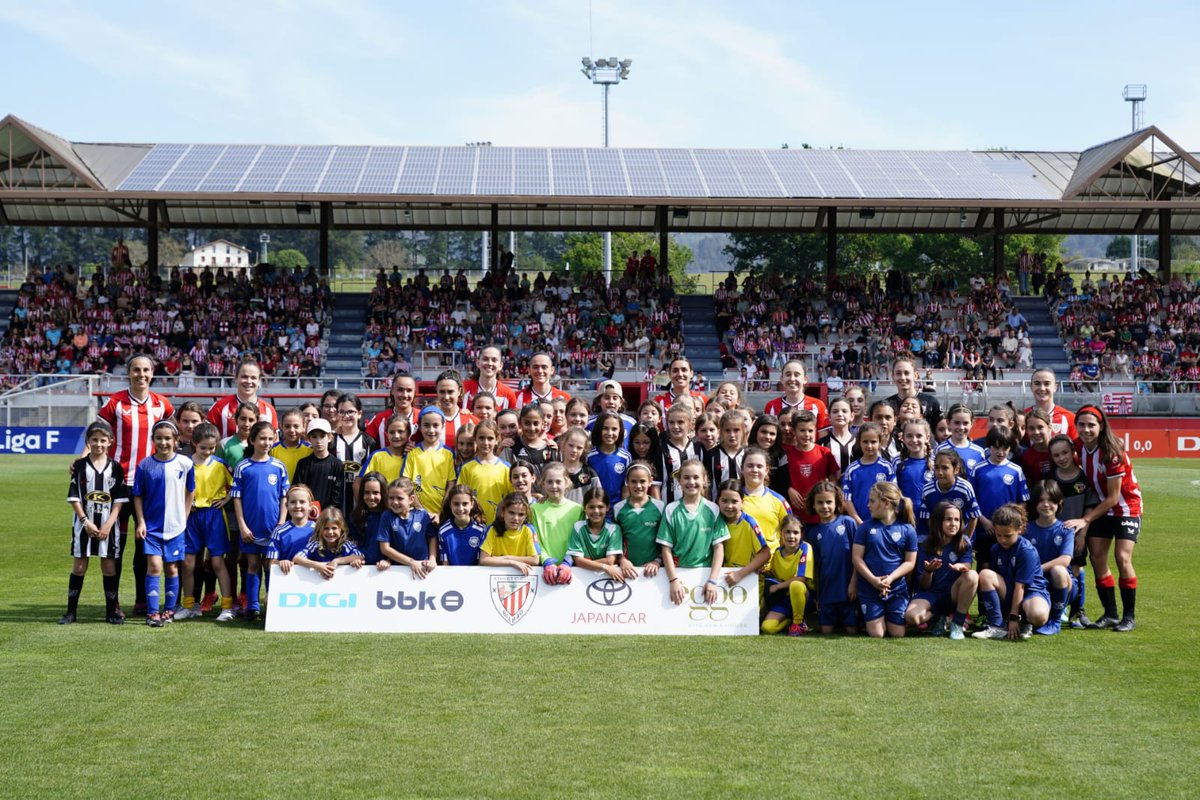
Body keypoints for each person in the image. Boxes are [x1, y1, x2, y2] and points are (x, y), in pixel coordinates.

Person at [97, 353, 174, 617]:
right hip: (118, 484)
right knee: (115, 545)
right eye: (136, 370)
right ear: (128, 373)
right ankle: (113, 601)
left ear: (152, 373)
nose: (142, 375)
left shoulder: (162, 405)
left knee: (145, 547)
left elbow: (171, 438)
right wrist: (83, 458)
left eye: (146, 370)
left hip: (150, 486)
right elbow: (98, 433)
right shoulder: (115, 403)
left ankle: (142, 600)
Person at [1068, 405, 1142, 632]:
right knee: (1098, 557)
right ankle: (1110, 614)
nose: (1086, 429)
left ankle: (1128, 617)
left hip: (1125, 508)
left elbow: (1113, 498)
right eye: (1082, 424)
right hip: (1101, 508)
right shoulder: (1078, 447)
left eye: (1092, 425)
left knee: (1122, 557)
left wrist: (1085, 520)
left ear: (1101, 427)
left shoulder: (1112, 452)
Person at [61, 422, 128, 625]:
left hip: (108, 527)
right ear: (88, 442)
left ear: (110, 442)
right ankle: (71, 613)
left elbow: (119, 501)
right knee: (79, 567)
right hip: (84, 526)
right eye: (94, 440)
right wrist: (85, 522)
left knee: (109, 568)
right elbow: (74, 498)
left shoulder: (116, 468)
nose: (98, 444)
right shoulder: (80, 466)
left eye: (102, 440)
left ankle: (111, 612)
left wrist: (108, 524)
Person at [133, 421, 196, 627]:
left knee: (172, 569)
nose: (163, 442)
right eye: (159, 438)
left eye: (168, 438)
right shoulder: (144, 465)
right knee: (154, 566)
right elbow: (138, 496)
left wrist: (184, 517)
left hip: (175, 528)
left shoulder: (185, 464)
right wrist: (141, 521)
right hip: (151, 528)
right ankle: (152, 613)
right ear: (153, 440)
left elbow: (191, 490)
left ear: (176, 440)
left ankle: (168, 610)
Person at [175, 423, 235, 622]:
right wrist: (185, 504)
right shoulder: (184, 463)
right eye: (203, 448)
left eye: (212, 447)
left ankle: (227, 606)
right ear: (194, 443)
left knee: (217, 562)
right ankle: (190, 605)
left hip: (214, 516)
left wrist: (225, 500)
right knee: (188, 563)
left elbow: (237, 484)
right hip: (191, 517)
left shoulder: (220, 464)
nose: (208, 451)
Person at [231, 420, 289, 621]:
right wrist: (242, 525)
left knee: (270, 565)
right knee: (252, 564)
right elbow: (236, 498)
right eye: (262, 438)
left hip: (272, 528)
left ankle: (272, 604)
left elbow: (284, 497)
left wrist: (281, 523)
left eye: (269, 439)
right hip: (250, 528)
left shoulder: (279, 467)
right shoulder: (243, 467)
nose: (266, 443)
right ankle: (253, 606)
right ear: (253, 440)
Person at [973, 504, 1050, 640]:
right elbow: (995, 584)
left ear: (1019, 529)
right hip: (1010, 591)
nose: (1003, 539)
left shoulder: (1026, 551)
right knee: (985, 574)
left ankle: (1025, 622)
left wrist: (1014, 617)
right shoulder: (995, 549)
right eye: (999, 535)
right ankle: (997, 626)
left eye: (1008, 536)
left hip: (1031, 593)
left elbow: (1020, 587)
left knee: (1038, 615)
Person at [851, 481, 918, 639]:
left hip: (896, 588)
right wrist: (874, 580)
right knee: (877, 634)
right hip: (869, 588)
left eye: (872, 501)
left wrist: (890, 578)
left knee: (898, 634)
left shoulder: (908, 530)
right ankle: (868, 617)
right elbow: (856, 558)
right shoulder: (864, 528)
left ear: (886, 503)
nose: (868, 505)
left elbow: (910, 562)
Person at [656, 460, 727, 606]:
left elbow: (718, 547)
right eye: (686, 477)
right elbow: (666, 548)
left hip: (705, 574)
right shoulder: (670, 509)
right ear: (679, 481)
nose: (691, 482)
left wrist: (713, 579)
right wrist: (673, 580)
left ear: (704, 480)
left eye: (696, 477)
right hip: (678, 574)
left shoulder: (713, 509)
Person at [905, 502, 977, 640]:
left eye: (957, 520)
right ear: (938, 522)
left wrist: (962, 567)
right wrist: (928, 571)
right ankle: (939, 616)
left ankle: (957, 623)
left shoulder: (963, 544)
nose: (953, 523)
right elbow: (924, 586)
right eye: (948, 519)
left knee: (972, 576)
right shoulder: (925, 546)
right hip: (930, 594)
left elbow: (967, 564)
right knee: (911, 617)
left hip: (951, 593)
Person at [806, 481, 858, 635]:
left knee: (852, 630)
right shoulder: (813, 533)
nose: (825, 506)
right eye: (820, 502)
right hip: (827, 592)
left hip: (848, 590)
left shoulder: (848, 523)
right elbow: (815, 566)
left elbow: (858, 557)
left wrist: (854, 583)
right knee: (826, 631)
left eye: (829, 502)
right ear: (813, 505)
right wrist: (817, 594)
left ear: (836, 503)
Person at [1023, 481, 1074, 635]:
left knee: (1058, 570)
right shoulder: (1026, 529)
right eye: (1041, 500)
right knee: (1036, 618)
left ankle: (1056, 621)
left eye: (1050, 500)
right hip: (1036, 583)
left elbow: (1065, 560)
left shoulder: (1066, 529)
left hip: (1062, 581)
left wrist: (1037, 569)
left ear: (1059, 503)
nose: (1046, 505)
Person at [759, 516, 815, 636]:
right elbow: (772, 573)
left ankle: (798, 623)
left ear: (801, 534)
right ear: (781, 533)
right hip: (784, 600)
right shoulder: (777, 552)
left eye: (795, 532)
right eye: (787, 532)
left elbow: (801, 578)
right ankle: (791, 622)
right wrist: (761, 571)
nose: (791, 536)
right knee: (767, 628)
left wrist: (778, 587)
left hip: (804, 596)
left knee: (796, 585)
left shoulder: (805, 547)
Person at [529, 462, 584, 584]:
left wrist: (568, 561)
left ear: (567, 483)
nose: (554, 486)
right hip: (543, 570)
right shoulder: (535, 509)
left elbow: (579, 541)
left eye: (558, 482)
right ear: (542, 483)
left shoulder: (577, 509)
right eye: (549, 482)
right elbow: (534, 540)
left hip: (573, 570)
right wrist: (547, 561)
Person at [782, 409, 840, 522]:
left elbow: (833, 480)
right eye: (802, 430)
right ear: (794, 431)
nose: (807, 434)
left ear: (815, 431)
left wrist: (822, 494)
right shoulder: (787, 453)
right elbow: (782, 478)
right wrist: (788, 489)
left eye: (810, 430)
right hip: (796, 515)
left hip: (820, 514)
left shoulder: (825, 452)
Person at [402, 406, 456, 519]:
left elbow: (451, 485)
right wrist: (421, 510)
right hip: (417, 514)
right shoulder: (412, 453)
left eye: (436, 425)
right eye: (426, 425)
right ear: (420, 427)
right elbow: (406, 483)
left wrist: (442, 512)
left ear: (443, 426)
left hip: (441, 515)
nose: (431, 430)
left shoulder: (449, 454)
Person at [377, 477, 437, 579]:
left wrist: (432, 558)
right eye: (391, 498)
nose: (395, 502)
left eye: (399, 498)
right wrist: (410, 562)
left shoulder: (423, 515)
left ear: (411, 499)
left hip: (423, 568)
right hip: (397, 570)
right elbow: (385, 548)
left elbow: (432, 537)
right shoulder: (386, 516)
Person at [614, 462, 666, 579]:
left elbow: (666, 541)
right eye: (633, 481)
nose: (638, 486)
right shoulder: (618, 508)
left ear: (650, 481)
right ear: (627, 481)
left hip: (654, 571)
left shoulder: (660, 507)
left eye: (642, 481)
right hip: (627, 570)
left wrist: (657, 561)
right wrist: (621, 560)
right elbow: (614, 541)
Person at [457, 419, 512, 525]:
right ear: (475, 440)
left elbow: (512, 498)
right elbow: (461, 496)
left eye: (490, 438)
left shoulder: (506, 468)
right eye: (481, 438)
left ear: (497, 440)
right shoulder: (467, 468)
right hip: (474, 524)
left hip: (499, 525)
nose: (485, 442)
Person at [207, 358, 279, 439]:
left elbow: (275, 443)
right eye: (244, 377)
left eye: (253, 378)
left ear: (259, 381)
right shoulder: (219, 407)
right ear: (236, 378)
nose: (248, 381)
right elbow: (205, 440)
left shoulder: (269, 410)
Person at [478, 493, 545, 575]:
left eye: (521, 514)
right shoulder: (493, 530)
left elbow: (535, 560)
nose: (516, 518)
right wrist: (511, 562)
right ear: (503, 512)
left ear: (525, 516)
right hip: (496, 576)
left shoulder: (527, 531)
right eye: (511, 513)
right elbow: (483, 560)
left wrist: (507, 557)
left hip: (521, 577)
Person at [565, 488, 625, 580]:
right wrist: (604, 567)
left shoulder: (614, 529)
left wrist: (586, 563)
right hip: (582, 579)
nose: (596, 511)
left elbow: (610, 561)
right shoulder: (578, 527)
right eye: (591, 507)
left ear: (607, 508)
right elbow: (577, 561)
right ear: (585, 508)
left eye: (600, 507)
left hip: (606, 578)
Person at [841, 422, 895, 524]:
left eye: (873, 442)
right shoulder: (852, 470)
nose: (869, 446)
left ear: (880, 442)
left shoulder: (887, 467)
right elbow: (847, 499)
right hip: (859, 523)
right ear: (859, 442)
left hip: (882, 523)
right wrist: (858, 522)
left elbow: (893, 496)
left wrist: (886, 518)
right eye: (865, 441)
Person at [291, 508, 364, 577]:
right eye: (326, 528)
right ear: (320, 530)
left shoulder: (346, 544)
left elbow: (360, 556)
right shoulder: (316, 544)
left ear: (341, 529)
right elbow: (297, 558)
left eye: (334, 528)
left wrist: (337, 561)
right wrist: (317, 565)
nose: (330, 532)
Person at [265, 485, 317, 579]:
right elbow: (271, 564)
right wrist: (280, 562)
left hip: (313, 581)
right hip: (288, 581)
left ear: (310, 506)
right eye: (293, 502)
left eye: (302, 502)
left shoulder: (318, 529)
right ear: (286, 505)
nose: (297, 506)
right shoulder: (279, 531)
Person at [764, 360, 830, 431]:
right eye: (788, 374)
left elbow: (823, 439)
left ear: (805, 379)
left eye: (796, 375)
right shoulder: (771, 406)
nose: (792, 379)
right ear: (782, 379)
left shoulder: (818, 405)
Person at [884, 354, 942, 429]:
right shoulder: (887, 406)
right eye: (898, 373)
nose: (902, 377)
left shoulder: (932, 402)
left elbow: (940, 433)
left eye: (906, 373)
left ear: (915, 375)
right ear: (893, 377)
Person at [587, 410, 633, 504]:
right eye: (605, 428)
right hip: (596, 509)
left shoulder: (626, 457)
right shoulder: (589, 456)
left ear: (621, 431)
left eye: (614, 429)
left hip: (616, 510)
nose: (609, 433)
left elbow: (625, 488)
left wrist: (622, 511)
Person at [437, 485, 488, 566]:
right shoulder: (443, 531)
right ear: (450, 505)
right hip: (452, 577)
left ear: (472, 504)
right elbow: (445, 564)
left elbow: (481, 563)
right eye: (456, 504)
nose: (460, 508)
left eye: (465, 504)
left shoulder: (481, 530)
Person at [703, 409, 747, 498]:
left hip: (744, 505)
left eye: (736, 430)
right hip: (717, 506)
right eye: (727, 430)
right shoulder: (711, 455)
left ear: (743, 430)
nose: (732, 435)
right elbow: (705, 485)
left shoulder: (748, 455)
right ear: (721, 431)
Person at [1024, 368, 1077, 440]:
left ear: (1055, 387)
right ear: (1031, 387)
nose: (1042, 388)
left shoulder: (1070, 418)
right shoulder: (1023, 417)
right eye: (1037, 384)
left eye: (1047, 384)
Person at [365, 373, 418, 444]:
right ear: (392, 390)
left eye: (409, 390)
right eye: (400, 390)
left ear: (414, 392)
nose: (405, 395)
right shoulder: (379, 420)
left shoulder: (423, 418)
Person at [462, 346, 519, 411]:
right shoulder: (463, 389)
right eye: (485, 359)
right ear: (477, 363)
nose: (489, 363)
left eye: (494, 360)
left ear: (500, 366)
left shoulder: (508, 394)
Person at [935, 403, 987, 474]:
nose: (961, 427)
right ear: (948, 422)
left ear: (972, 423)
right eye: (957, 423)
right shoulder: (940, 449)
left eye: (965, 423)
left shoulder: (979, 452)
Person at [359, 414, 411, 486]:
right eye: (392, 432)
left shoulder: (413, 456)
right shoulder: (377, 456)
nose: (396, 436)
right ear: (386, 434)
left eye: (400, 431)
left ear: (408, 433)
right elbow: (359, 481)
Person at [351, 471, 388, 568]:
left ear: (383, 493)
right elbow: (353, 544)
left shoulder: (390, 516)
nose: (371, 497)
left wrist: (389, 560)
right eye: (367, 493)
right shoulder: (355, 516)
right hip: (361, 568)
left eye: (376, 493)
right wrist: (354, 558)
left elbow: (398, 545)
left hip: (386, 569)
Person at [270, 408, 312, 482]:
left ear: (304, 427)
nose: (292, 430)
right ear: (281, 426)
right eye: (287, 426)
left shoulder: (310, 449)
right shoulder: (273, 449)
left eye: (296, 426)